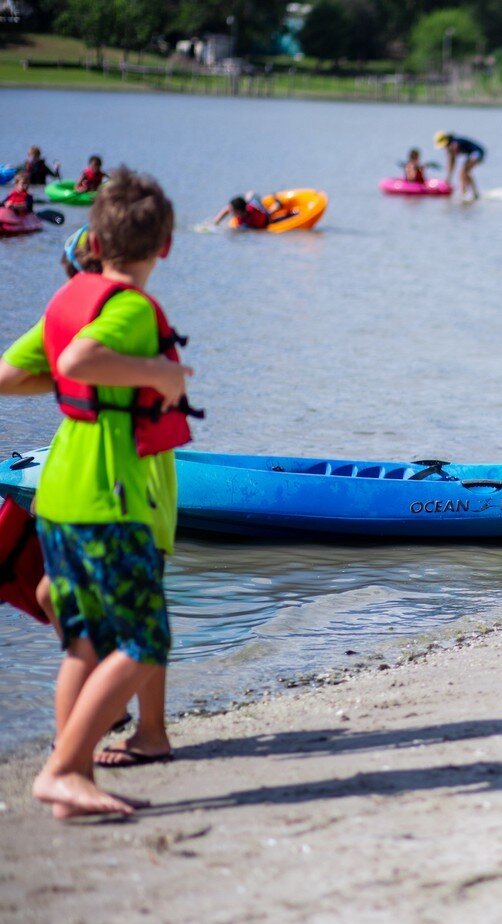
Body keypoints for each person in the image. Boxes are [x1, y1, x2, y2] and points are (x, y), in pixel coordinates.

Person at [0, 167, 198, 819]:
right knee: (144, 640)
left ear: (95, 237)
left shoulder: (67, 300)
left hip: (56, 493)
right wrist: (158, 371)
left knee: (84, 643)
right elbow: (82, 362)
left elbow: (11, 373)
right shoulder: (133, 309)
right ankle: (61, 768)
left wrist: (77, 384)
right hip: (109, 498)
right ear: (163, 245)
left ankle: (76, 778)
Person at [435, 132, 485, 201]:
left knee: (463, 172)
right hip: (472, 154)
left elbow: (452, 162)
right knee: (465, 172)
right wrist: (449, 178)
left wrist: (448, 178)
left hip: (476, 153)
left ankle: (464, 193)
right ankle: (474, 193)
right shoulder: (452, 146)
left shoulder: (454, 145)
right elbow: (452, 163)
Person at [212, 193, 287, 230]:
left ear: (238, 211)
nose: (230, 212)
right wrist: (215, 222)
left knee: (267, 213)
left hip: (258, 209)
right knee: (249, 195)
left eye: (232, 211)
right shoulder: (238, 211)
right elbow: (226, 209)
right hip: (249, 205)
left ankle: (277, 205)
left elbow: (266, 221)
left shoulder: (255, 216)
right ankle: (248, 196)